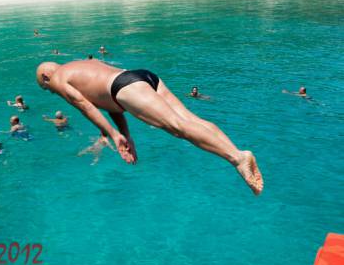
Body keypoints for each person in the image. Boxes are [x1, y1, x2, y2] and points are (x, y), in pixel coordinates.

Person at [36, 60, 263, 195]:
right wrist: (126, 135)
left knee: (179, 127)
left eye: (46, 88)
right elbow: (111, 105)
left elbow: (84, 106)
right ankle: (238, 153)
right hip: (140, 76)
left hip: (124, 88)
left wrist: (114, 136)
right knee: (189, 119)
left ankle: (237, 158)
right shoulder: (79, 66)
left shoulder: (57, 78)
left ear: (46, 76)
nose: (52, 91)